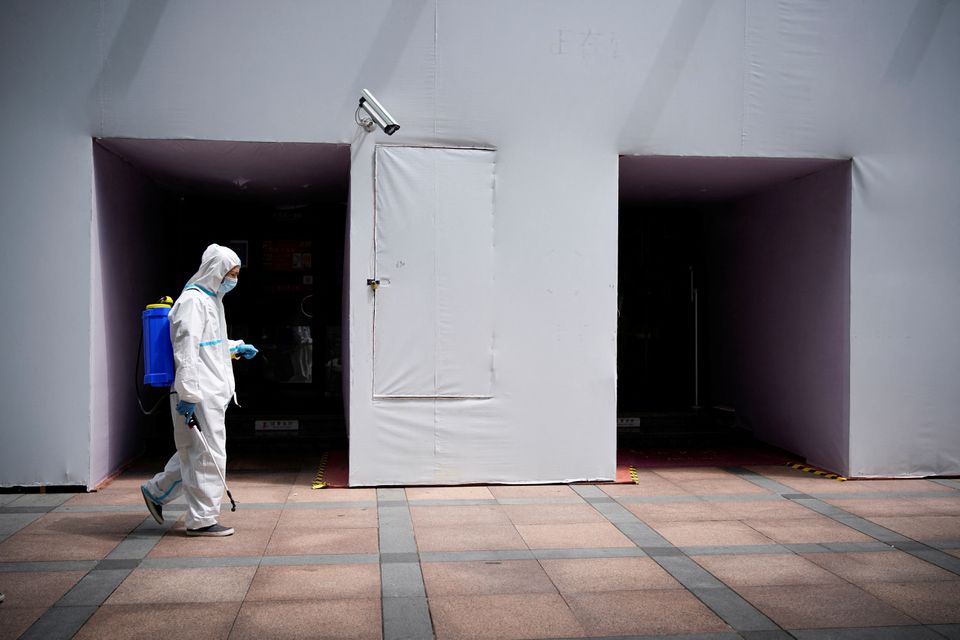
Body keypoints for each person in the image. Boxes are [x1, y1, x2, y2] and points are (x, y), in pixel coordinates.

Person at [140, 244, 258, 536]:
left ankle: (156, 491)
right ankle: (203, 520)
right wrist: (189, 395)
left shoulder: (211, 300)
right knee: (208, 456)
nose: (234, 280)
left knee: (195, 451)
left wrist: (235, 347)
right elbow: (186, 352)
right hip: (198, 393)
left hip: (209, 392)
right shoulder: (193, 302)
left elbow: (211, 344)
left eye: (237, 274)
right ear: (216, 272)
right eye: (231, 274)